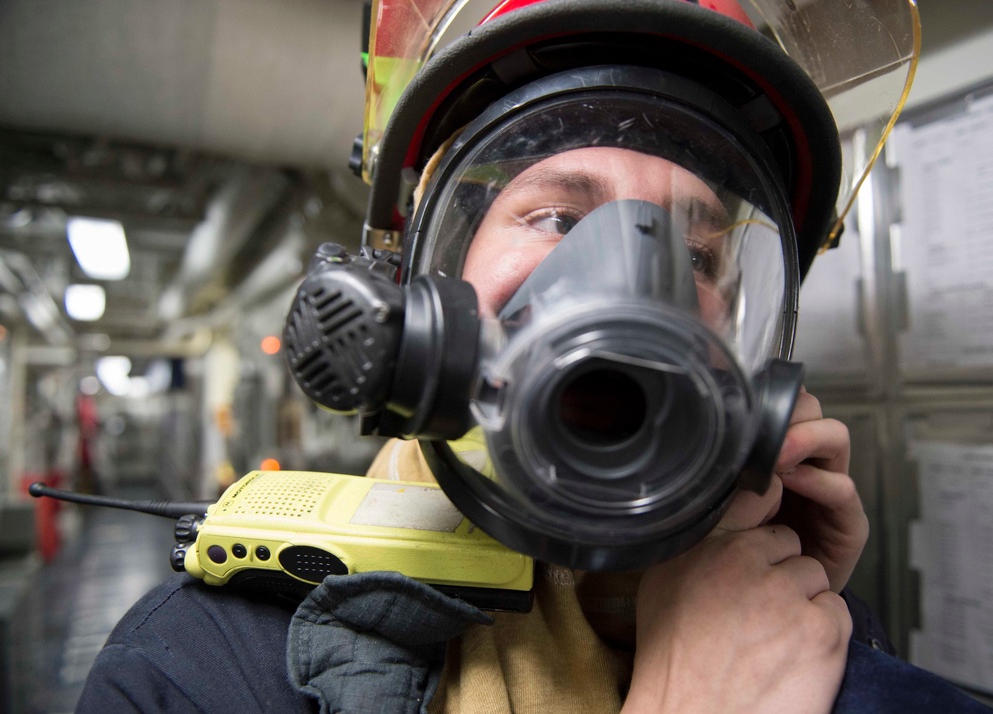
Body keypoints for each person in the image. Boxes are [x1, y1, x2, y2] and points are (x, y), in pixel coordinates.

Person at [76, 0, 992, 712]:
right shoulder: (200, 669)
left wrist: (829, 629)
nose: (633, 277)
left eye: (699, 254)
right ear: (432, 292)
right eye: (558, 216)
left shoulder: (783, 617)